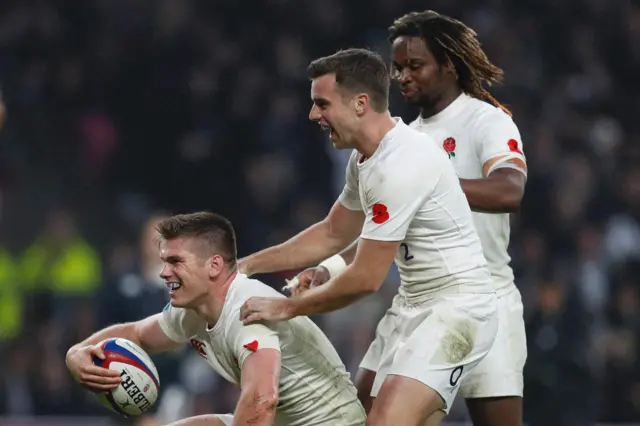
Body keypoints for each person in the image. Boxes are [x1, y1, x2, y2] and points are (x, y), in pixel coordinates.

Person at [284, 10, 528, 426]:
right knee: (358, 415)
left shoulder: (486, 119)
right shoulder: (403, 139)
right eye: (398, 68)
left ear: (449, 65)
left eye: (416, 65)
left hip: (485, 298)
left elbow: (509, 190)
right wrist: (329, 267)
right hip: (417, 305)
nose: (403, 77)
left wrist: (433, 181)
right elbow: (383, 230)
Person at [237, 48, 499, 426]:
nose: (313, 115)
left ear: (360, 103)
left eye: (321, 104)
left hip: (458, 308)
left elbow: (366, 279)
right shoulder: (365, 159)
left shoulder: (401, 164)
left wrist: (287, 307)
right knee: (352, 418)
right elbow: (333, 232)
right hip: (413, 305)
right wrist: (249, 265)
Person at [65, 212, 366, 426]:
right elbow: (138, 335)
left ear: (214, 266)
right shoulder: (190, 311)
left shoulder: (247, 307)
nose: (163, 272)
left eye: (175, 262)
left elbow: (262, 402)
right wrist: (77, 353)